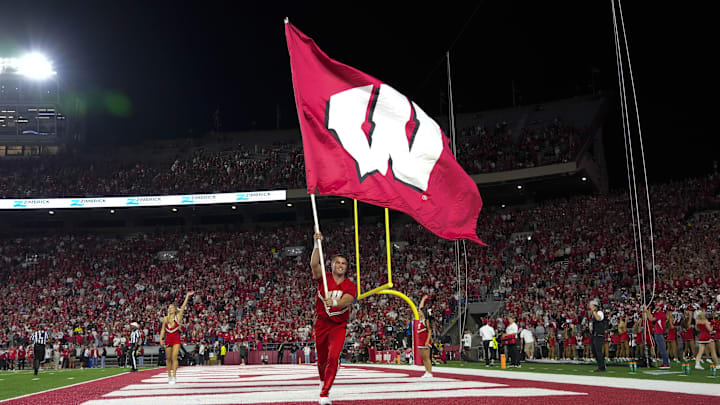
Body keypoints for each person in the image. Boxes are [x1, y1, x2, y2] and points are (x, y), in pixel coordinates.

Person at [311, 230, 357, 405]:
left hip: (338, 326)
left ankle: (325, 393)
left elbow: (348, 300)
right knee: (322, 359)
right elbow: (314, 264)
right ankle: (323, 380)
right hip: (322, 324)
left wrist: (336, 302)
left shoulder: (350, 285)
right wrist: (316, 244)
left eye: (343, 263)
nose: (340, 265)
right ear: (331, 265)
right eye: (337, 262)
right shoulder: (324, 277)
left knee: (333, 357)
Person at [160, 291, 195, 385]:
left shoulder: (178, 316)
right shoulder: (165, 318)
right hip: (168, 339)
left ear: (175, 309)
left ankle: (174, 376)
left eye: (172, 308)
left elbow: (183, 306)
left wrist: (187, 296)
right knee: (168, 358)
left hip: (176, 338)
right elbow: (163, 329)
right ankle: (169, 375)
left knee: (174, 357)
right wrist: (160, 339)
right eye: (169, 308)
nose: (170, 309)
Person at [645, 303, 670, 369]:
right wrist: (648, 310)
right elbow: (650, 316)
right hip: (657, 332)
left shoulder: (661, 313)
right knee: (661, 348)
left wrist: (646, 310)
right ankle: (665, 363)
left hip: (659, 332)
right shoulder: (657, 313)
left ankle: (666, 363)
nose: (655, 306)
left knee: (662, 348)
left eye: (657, 305)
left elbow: (651, 319)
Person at [417, 295, 433, 378]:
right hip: (420, 341)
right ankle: (426, 371)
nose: (418, 312)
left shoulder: (426, 321)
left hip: (425, 341)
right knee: (423, 358)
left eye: (420, 311)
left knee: (427, 358)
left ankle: (430, 372)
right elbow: (420, 307)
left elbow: (430, 331)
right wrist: (423, 299)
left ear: (423, 312)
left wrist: (427, 341)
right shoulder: (421, 320)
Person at [589, 299, 607, 372]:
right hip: (594, 334)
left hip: (599, 334)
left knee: (598, 351)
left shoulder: (599, 312)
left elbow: (598, 318)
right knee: (594, 350)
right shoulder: (593, 314)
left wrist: (594, 311)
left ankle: (602, 366)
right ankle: (600, 364)